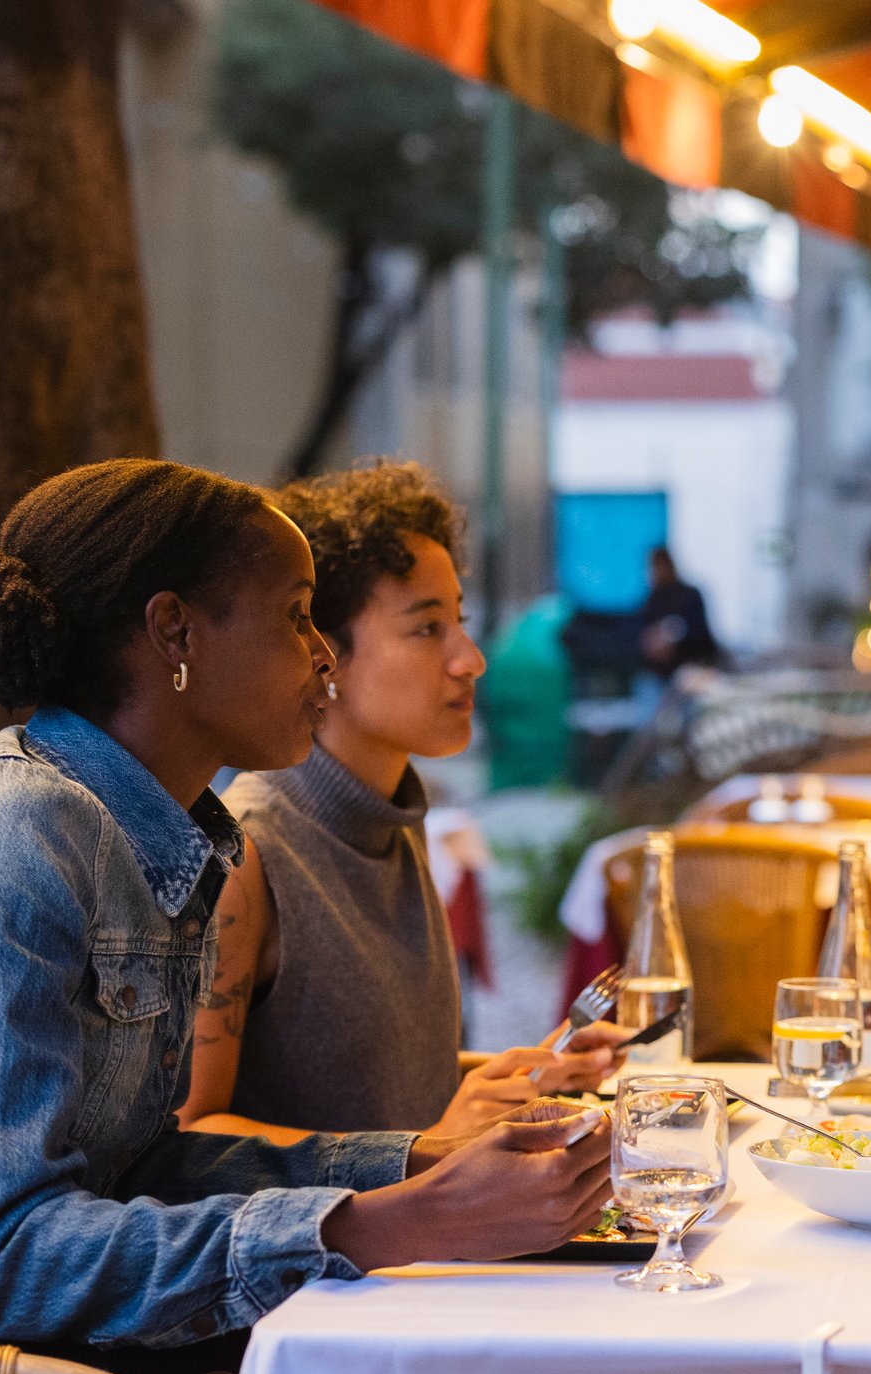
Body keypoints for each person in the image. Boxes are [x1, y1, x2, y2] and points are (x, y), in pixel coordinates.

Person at [0, 461, 613, 1374]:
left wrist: (422, 1159)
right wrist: (390, 1218)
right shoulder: (11, 840)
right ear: (174, 634)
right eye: (298, 615)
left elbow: (146, 1160)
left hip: (36, 1373)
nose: (322, 654)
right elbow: (13, 1254)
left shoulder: (154, 839)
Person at [178, 462, 624, 1143]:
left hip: (426, 1235)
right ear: (321, 652)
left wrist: (533, 1073)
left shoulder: (395, 822)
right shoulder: (245, 853)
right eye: (427, 629)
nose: (470, 658)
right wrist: (425, 1151)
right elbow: (193, 1131)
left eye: (460, 622)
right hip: (331, 1250)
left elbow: (383, 1089)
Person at [635, 546, 719, 678]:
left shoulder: (690, 595)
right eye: (653, 567)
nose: (656, 571)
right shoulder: (654, 598)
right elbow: (643, 633)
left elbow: (701, 634)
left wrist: (673, 642)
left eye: (660, 566)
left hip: (692, 666)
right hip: (659, 671)